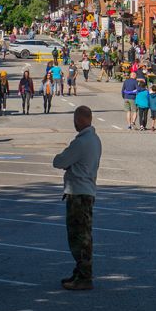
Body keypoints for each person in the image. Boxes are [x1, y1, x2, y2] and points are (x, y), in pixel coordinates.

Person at [53, 105, 101, 291]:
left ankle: (84, 276)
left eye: (75, 119)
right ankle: (80, 270)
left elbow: (59, 161)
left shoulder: (81, 142)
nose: (74, 123)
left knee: (79, 236)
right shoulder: (95, 139)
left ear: (82, 119)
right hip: (87, 189)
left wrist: (67, 164)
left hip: (79, 192)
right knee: (83, 234)